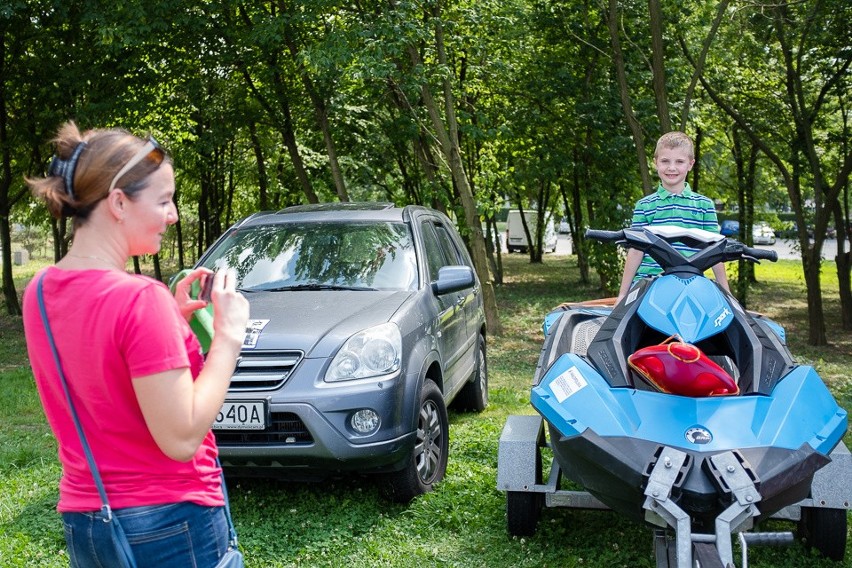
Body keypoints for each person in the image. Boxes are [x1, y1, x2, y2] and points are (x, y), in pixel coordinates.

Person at [22, 121, 250, 567]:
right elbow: (182, 437)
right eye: (164, 200)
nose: (174, 215)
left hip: (88, 519)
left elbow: (101, 358)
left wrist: (170, 319)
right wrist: (228, 337)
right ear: (119, 203)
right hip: (171, 521)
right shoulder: (139, 299)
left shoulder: (41, 290)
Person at [617, 131, 730, 303]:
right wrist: (623, 295)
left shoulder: (704, 205)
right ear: (655, 163)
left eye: (679, 161)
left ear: (690, 164)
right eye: (665, 161)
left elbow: (715, 251)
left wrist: (727, 295)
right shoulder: (645, 205)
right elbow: (635, 251)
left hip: (691, 285)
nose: (671, 167)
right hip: (648, 285)